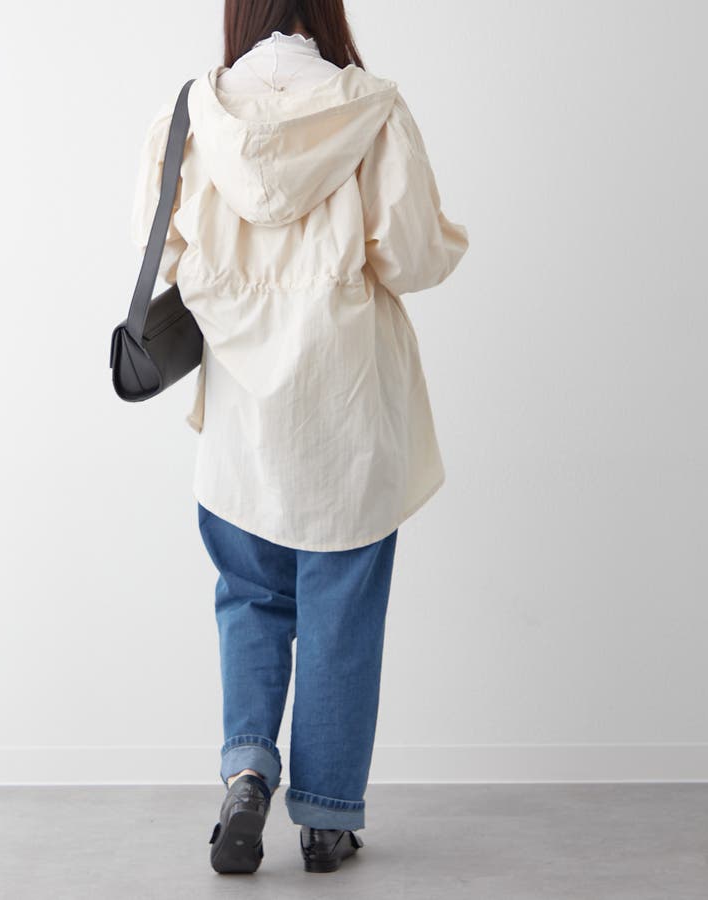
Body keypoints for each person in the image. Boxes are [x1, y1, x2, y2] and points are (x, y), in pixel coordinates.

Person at [130, 0, 469, 876]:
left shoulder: (191, 114)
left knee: (250, 596)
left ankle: (247, 773)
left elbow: (160, 253)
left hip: (239, 421)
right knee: (340, 611)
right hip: (347, 412)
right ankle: (325, 819)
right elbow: (413, 258)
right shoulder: (372, 110)